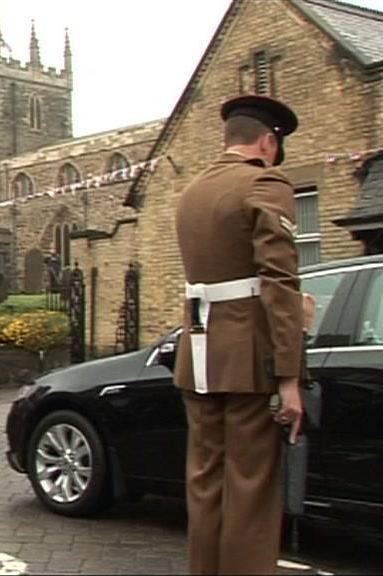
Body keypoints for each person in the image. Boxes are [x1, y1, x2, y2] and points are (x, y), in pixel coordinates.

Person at [173, 94, 304, 575]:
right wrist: (289, 377)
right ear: (269, 142)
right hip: (247, 356)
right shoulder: (265, 182)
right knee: (250, 487)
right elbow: (280, 282)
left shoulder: (193, 191)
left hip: (198, 351)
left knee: (205, 482)